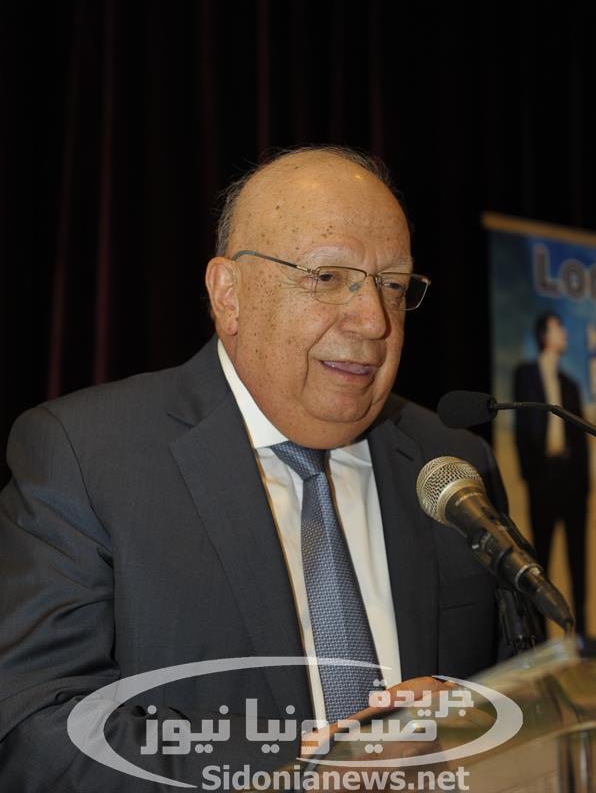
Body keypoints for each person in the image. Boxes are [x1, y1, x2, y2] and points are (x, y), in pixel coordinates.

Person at [0, 146, 509, 790]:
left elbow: (512, 692)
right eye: (328, 277)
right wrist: (307, 773)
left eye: (394, 285)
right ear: (229, 294)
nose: (374, 320)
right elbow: (37, 730)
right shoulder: (86, 454)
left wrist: (472, 726)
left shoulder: (449, 463)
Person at [514, 311, 589, 635]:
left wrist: (584, 486)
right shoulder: (525, 374)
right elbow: (522, 428)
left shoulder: (570, 385)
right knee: (539, 560)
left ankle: (581, 635)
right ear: (544, 334)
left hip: (571, 480)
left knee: (578, 560)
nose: (565, 334)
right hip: (543, 477)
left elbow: (580, 440)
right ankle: (542, 636)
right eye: (559, 328)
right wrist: (531, 474)